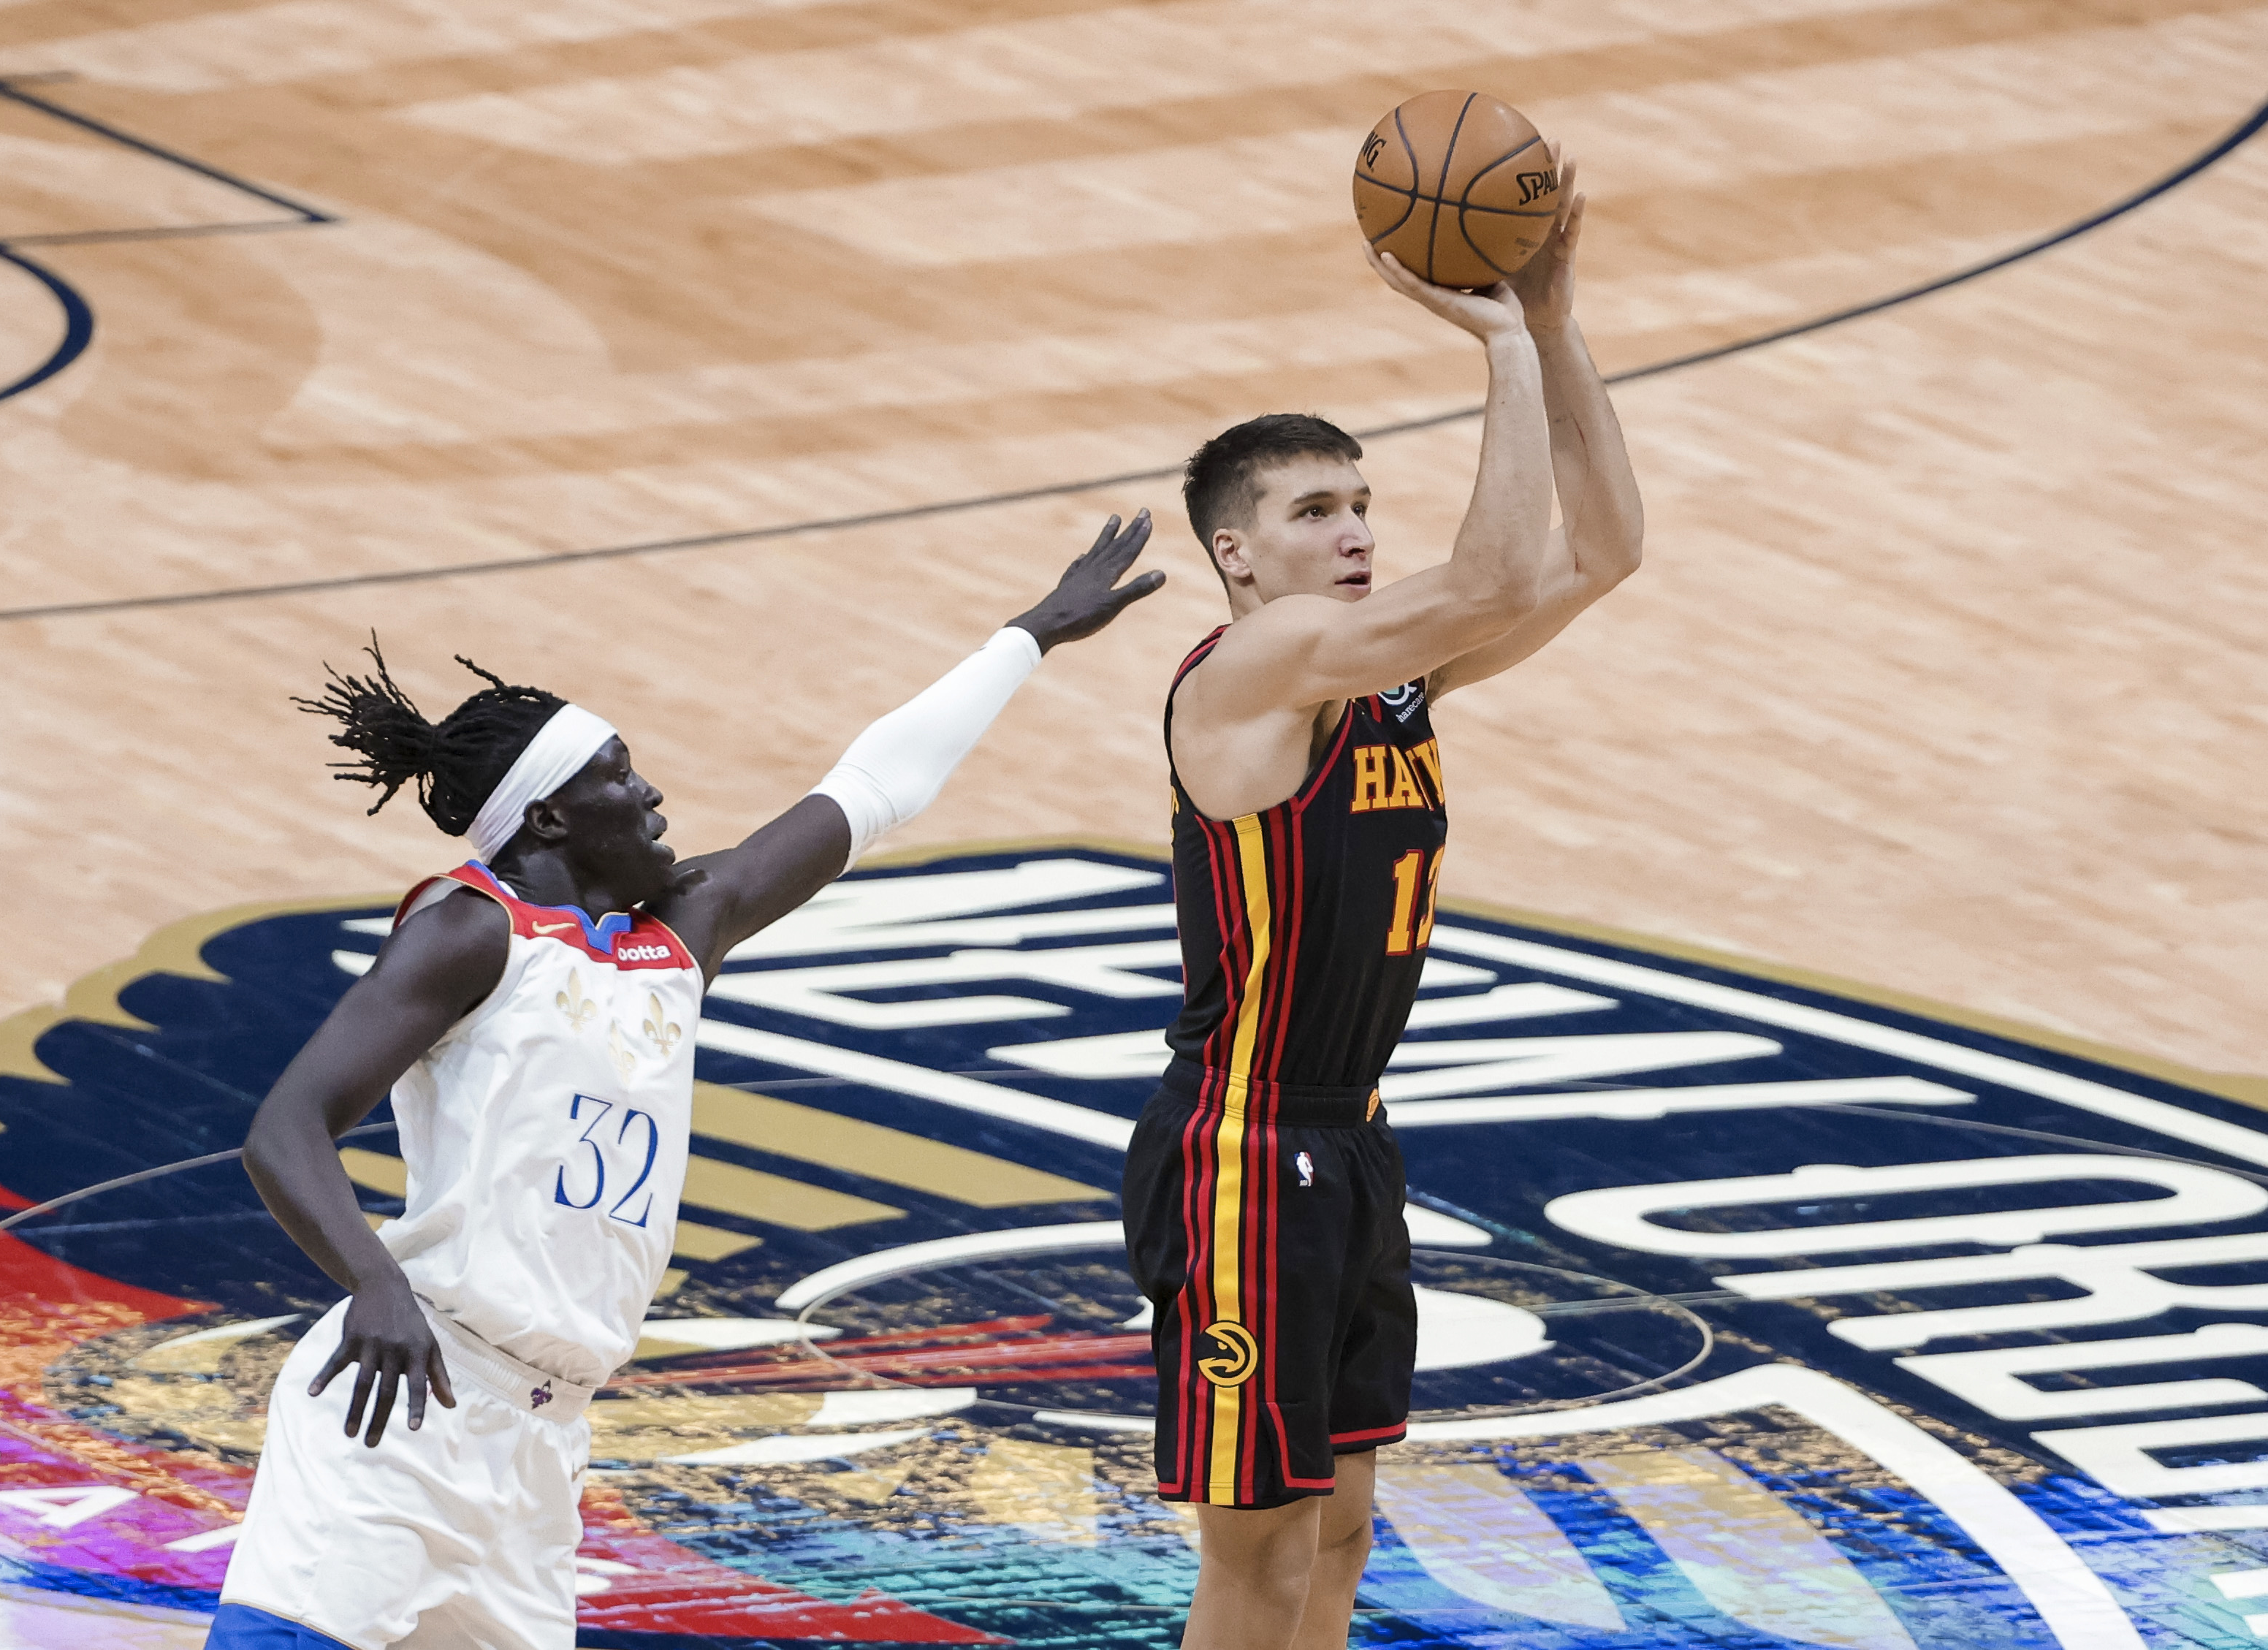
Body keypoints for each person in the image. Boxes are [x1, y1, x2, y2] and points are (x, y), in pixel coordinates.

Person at [205, 513, 1162, 1650]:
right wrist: (373, 1279)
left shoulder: (676, 938)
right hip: (407, 1391)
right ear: (550, 815)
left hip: (542, 1436)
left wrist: (1031, 635)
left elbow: (870, 790)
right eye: (620, 775)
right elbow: (287, 1127)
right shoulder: (470, 931)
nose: (654, 792)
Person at [1122, 154, 1643, 1650]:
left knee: (1340, 1531)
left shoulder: (1380, 674)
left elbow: (1602, 552)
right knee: (1256, 1558)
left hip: (1345, 1137)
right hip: (1240, 1145)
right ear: (1236, 554)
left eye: (1360, 502)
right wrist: (1489, 347)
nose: (1352, 531)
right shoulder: (1251, 670)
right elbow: (1486, 570)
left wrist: (1550, 323)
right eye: (1311, 510)